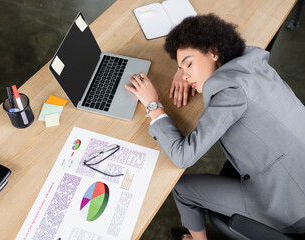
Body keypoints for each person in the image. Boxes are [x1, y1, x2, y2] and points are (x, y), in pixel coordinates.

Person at [125, 14, 305, 240]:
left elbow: (183, 156)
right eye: (181, 67)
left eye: (189, 64)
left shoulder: (231, 94)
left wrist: (154, 106)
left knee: (182, 190)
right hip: (293, 170)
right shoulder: (252, 63)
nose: (185, 74)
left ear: (214, 51)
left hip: (291, 204)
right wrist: (186, 71)